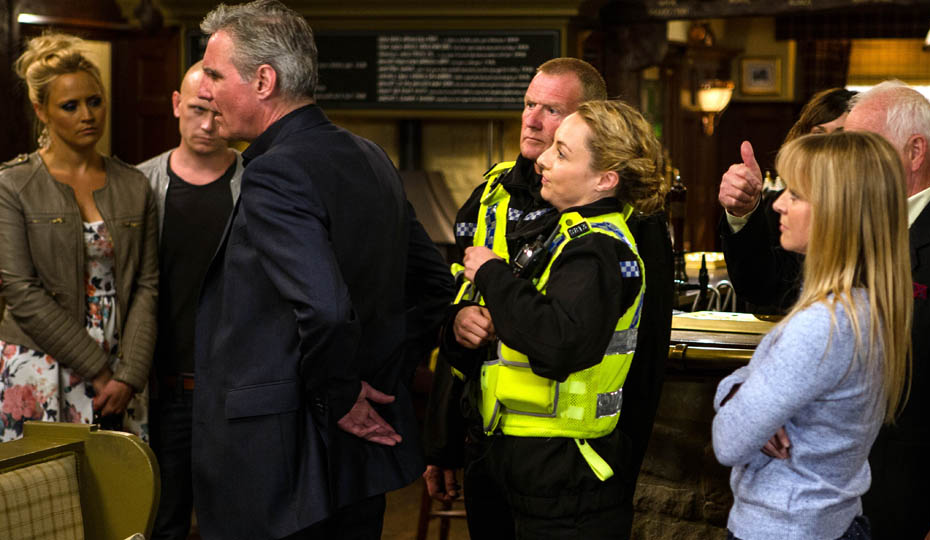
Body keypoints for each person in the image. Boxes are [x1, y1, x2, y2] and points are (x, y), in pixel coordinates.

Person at [191, 2, 452, 539]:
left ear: (264, 80)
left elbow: (328, 311)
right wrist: (382, 377)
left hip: (279, 470)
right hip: (354, 464)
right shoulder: (370, 156)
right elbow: (434, 287)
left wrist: (343, 396)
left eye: (216, 74)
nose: (204, 90)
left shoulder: (275, 171)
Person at [422, 59, 673, 539]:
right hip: (492, 450)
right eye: (528, 104)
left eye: (552, 112)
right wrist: (443, 441)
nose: (532, 121)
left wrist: (621, 467)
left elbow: (641, 347)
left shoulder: (620, 221)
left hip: (570, 467)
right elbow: (461, 306)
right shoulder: (491, 193)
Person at [712, 131, 913, 540]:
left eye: (796, 194)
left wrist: (741, 395)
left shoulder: (824, 324)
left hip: (786, 527)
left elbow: (728, 440)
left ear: (837, 212)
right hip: (827, 521)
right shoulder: (864, 304)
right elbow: (740, 406)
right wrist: (742, 393)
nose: (778, 203)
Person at [0, 33, 157, 441]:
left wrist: (129, 375)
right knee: (40, 497)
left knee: (120, 495)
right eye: (70, 106)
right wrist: (99, 370)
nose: (87, 115)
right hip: (41, 358)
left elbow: (147, 284)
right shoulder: (13, 184)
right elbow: (21, 290)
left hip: (122, 368)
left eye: (95, 101)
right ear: (42, 111)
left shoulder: (134, 184)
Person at [842, 82, 930, 540]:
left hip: (915, 507)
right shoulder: (855, 226)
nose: (849, 159)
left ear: (914, 152)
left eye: (863, 145)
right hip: (846, 501)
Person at [137, 61, 242, 540]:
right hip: (163, 390)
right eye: (197, 109)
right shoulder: (140, 187)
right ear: (177, 106)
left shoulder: (257, 184)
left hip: (235, 389)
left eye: (218, 114)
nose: (207, 125)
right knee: (161, 519)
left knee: (237, 521)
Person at [719, 88, 857, 313]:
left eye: (840, 137)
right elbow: (758, 286)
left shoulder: (876, 213)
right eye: (819, 136)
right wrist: (744, 210)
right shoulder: (777, 207)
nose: (827, 149)